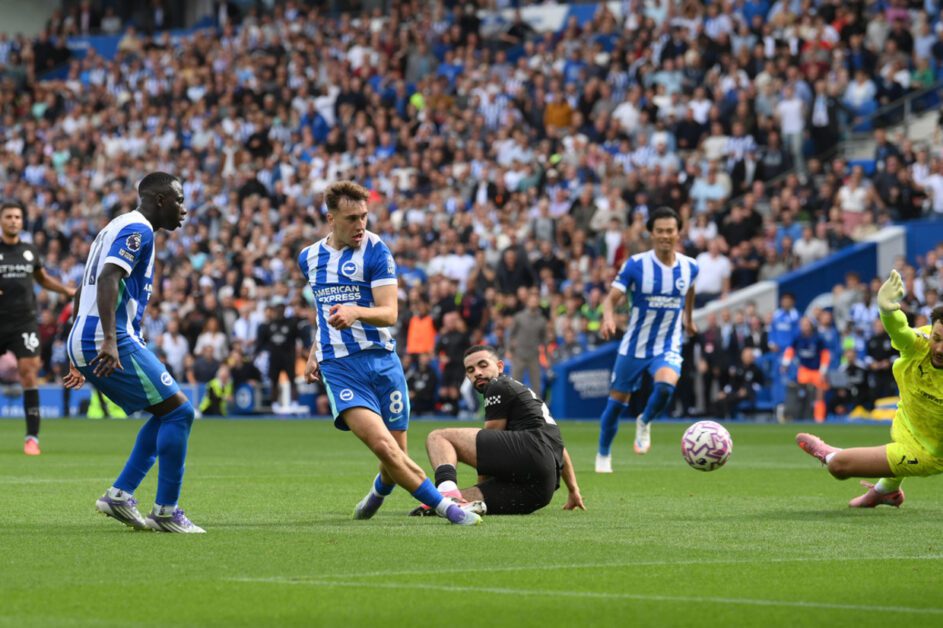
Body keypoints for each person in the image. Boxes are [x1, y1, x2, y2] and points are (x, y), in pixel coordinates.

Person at [298, 181, 480, 526]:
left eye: (364, 216)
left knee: (397, 456)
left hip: (382, 362)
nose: (360, 225)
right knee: (384, 447)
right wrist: (315, 351)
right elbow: (324, 309)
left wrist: (355, 311)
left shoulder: (377, 252)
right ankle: (450, 510)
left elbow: (390, 313)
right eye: (351, 218)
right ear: (331, 219)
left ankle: (378, 492)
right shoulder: (308, 258)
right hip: (340, 367)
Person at [64, 172, 204, 533]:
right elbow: (108, 277)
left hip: (89, 336)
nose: (184, 209)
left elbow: (83, 288)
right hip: (107, 337)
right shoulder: (138, 229)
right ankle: (166, 511)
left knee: (166, 413)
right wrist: (108, 340)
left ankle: (121, 494)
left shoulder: (116, 226)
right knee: (180, 413)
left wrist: (76, 349)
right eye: (179, 200)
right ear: (160, 200)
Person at [797, 270, 943, 507]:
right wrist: (887, 310)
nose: (939, 348)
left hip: (928, 453)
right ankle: (887, 492)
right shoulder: (921, 344)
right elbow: (901, 332)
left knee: (838, 466)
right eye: (937, 338)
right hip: (907, 422)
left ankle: (830, 453)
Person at [412, 345, 584, 516]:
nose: (477, 373)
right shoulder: (521, 393)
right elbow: (559, 448)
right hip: (541, 490)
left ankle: (446, 491)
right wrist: (573, 490)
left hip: (531, 452)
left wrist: (482, 483)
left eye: (483, 365)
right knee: (438, 505)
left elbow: (488, 451)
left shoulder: (497, 385)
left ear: (500, 366)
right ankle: (449, 501)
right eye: (470, 370)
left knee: (438, 437)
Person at [595, 206, 698, 472]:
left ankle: (645, 420)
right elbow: (610, 299)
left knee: (665, 387)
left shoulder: (690, 266)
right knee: (615, 406)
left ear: (678, 233)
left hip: (668, 344)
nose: (665, 235)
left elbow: (690, 291)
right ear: (651, 233)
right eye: (660, 231)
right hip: (634, 346)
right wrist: (608, 318)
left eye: (670, 230)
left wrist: (689, 319)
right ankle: (603, 455)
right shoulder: (636, 265)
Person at [0, 200, 75, 455]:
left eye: (17, 217)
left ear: (22, 221)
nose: (13, 221)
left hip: (24, 321)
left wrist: (65, 290)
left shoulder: (29, 251)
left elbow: (42, 279)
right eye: (8, 216)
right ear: (1, 220)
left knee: (29, 372)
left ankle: (32, 438)